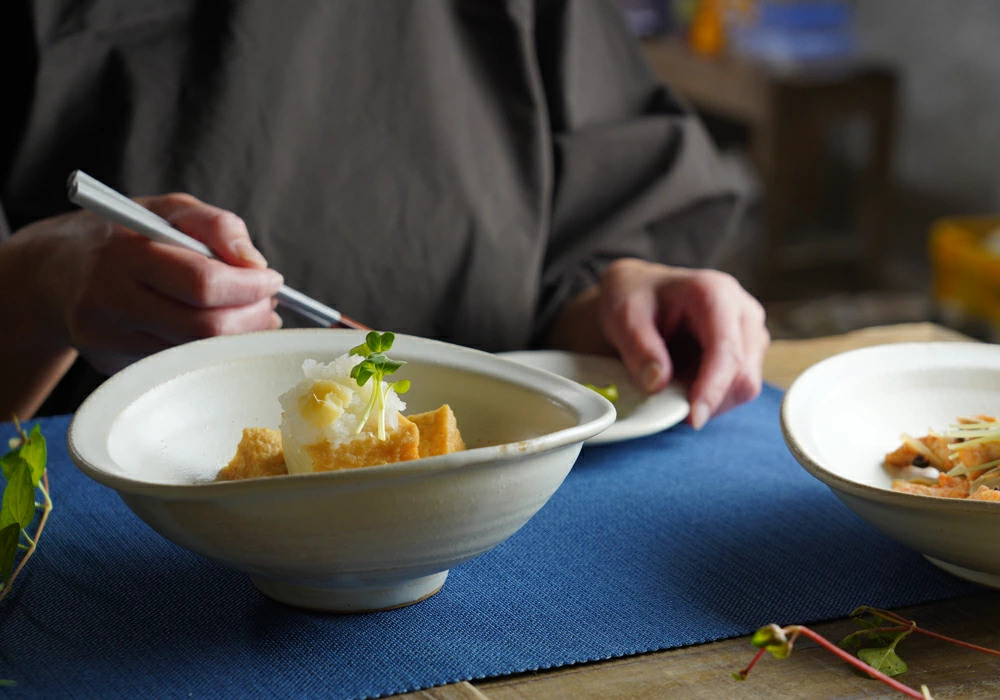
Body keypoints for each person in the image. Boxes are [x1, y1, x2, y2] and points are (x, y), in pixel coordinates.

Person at [0, 0, 768, 426]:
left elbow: (564, 282)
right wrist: (39, 286)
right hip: (109, 565)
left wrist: (629, 298)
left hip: (514, 520)